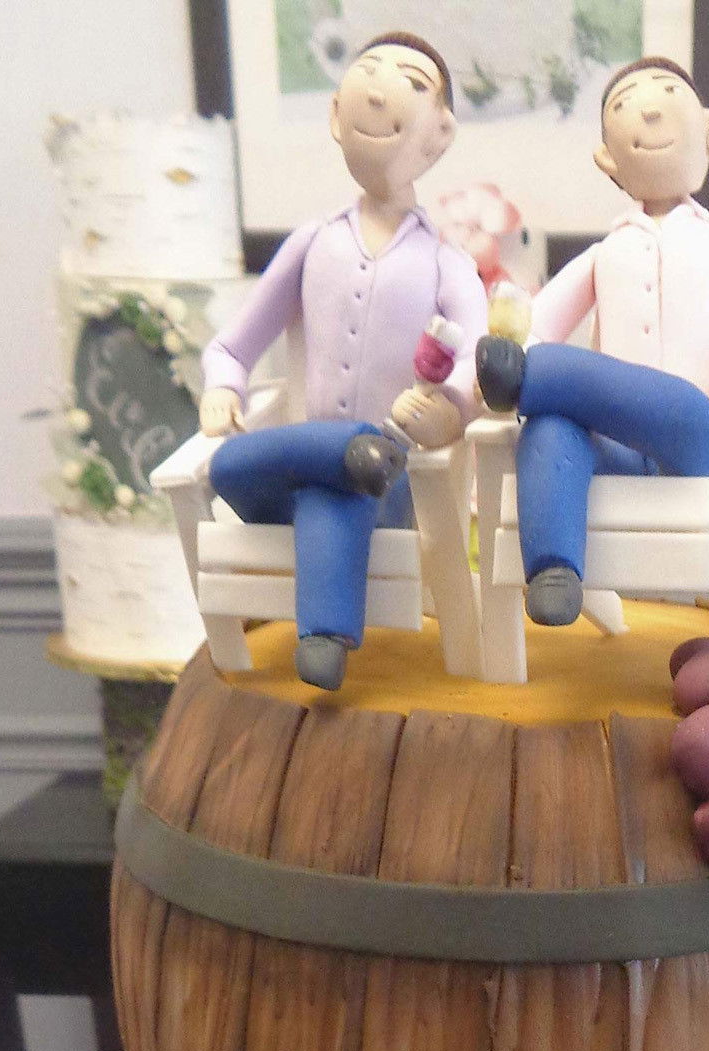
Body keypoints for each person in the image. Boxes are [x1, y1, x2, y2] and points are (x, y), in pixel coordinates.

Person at [474, 57, 709, 626]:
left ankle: (524, 380)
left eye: (666, 94)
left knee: (566, 381)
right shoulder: (604, 255)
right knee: (551, 426)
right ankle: (554, 572)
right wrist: (503, 347)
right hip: (615, 452)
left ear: (708, 129)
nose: (651, 111)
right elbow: (535, 326)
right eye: (626, 104)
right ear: (608, 159)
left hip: (695, 436)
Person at [197, 32, 485, 690]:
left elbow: (475, 354)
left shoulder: (445, 262)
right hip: (284, 474)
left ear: (440, 134)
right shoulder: (312, 242)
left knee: (347, 484)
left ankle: (324, 638)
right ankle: (349, 457)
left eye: (410, 82)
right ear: (335, 114)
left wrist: (450, 408)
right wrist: (224, 387)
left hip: (392, 486)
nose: (380, 92)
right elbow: (231, 347)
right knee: (235, 464)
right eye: (368, 73)